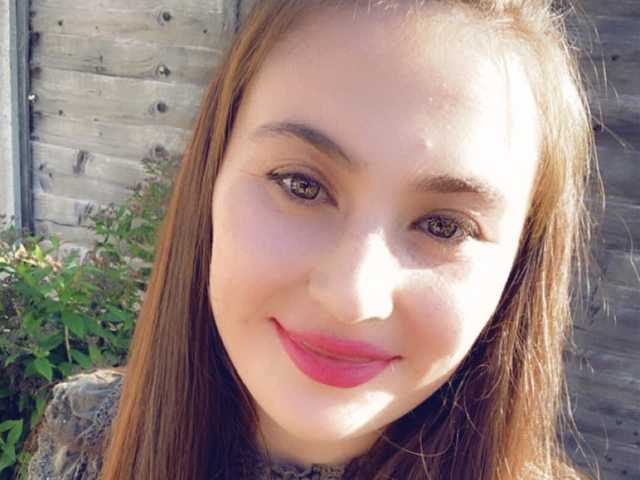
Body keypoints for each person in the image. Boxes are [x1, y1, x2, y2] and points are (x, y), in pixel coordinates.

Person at [27, 0, 595, 478]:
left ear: (520, 266)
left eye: (444, 226)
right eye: (301, 185)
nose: (352, 297)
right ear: (210, 180)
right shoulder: (83, 443)